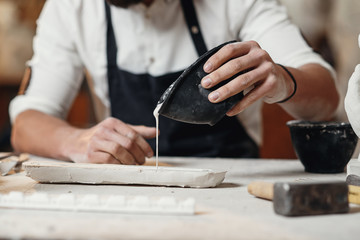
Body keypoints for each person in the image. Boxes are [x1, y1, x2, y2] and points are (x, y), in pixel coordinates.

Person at [9, 0, 339, 165]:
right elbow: (25, 124)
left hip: (233, 184)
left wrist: (284, 81)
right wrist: (76, 141)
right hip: (129, 191)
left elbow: (326, 98)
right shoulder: (72, 7)